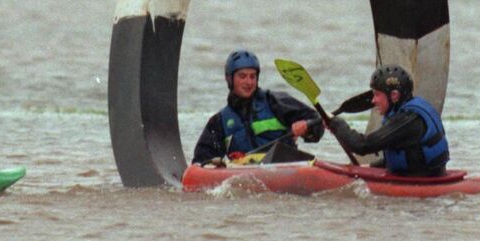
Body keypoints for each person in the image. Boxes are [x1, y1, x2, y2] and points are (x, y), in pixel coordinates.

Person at [192, 50, 324, 164]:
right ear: (229, 79)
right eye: (242, 76)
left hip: (283, 168)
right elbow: (202, 162)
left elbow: (317, 123)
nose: (248, 82)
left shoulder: (275, 102)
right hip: (246, 177)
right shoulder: (220, 122)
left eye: (252, 76)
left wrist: (307, 129)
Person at [329, 64, 450, 176]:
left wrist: (337, 124)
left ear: (394, 95)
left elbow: (362, 146)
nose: (373, 101)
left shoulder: (407, 120)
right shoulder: (410, 111)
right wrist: (370, 167)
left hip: (422, 182)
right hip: (423, 174)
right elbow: (410, 156)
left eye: (377, 95)